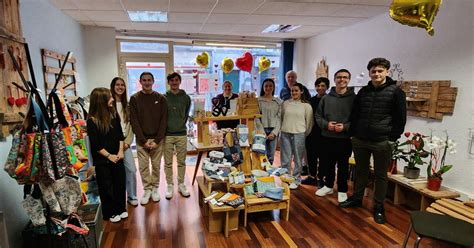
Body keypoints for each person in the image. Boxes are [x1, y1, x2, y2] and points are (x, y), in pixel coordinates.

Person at [340, 58, 407, 225]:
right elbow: (355, 114)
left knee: (380, 175)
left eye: (380, 71)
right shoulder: (363, 92)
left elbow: (401, 118)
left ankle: (378, 207)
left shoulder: (396, 92)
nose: (376, 74)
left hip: (382, 141)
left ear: (387, 72)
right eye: (373, 71)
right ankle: (356, 199)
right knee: (360, 172)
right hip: (360, 139)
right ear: (369, 73)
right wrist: (353, 133)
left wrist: (392, 139)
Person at [315, 70, 355, 203]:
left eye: (345, 77)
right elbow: (318, 116)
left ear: (349, 79)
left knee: (343, 165)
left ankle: (342, 190)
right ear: (334, 79)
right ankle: (328, 186)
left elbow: (357, 119)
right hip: (327, 136)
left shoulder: (354, 99)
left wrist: (345, 127)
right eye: (339, 77)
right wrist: (327, 125)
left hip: (344, 139)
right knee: (328, 164)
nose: (341, 80)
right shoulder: (326, 98)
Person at [87, 87, 126, 223]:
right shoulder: (92, 121)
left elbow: (120, 135)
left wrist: (120, 152)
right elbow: (96, 145)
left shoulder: (114, 115)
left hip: (118, 156)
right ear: (101, 101)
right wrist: (109, 156)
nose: (113, 99)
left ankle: (121, 209)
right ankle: (110, 212)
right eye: (110, 97)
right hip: (103, 160)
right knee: (106, 186)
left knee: (120, 183)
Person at [130, 72, 168, 205]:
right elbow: (134, 121)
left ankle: (155, 189)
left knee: (156, 166)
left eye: (149, 80)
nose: (147, 82)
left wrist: (157, 140)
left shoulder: (161, 98)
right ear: (140, 82)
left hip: (157, 140)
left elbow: (164, 120)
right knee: (143, 167)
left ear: (153, 81)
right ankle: (147, 189)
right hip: (142, 141)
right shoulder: (134, 99)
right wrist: (143, 140)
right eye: (144, 80)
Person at [110, 77, 138, 206]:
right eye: (117, 85)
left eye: (122, 85)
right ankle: (117, 200)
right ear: (113, 86)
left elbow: (131, 127)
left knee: (131, 170)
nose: (120, 87)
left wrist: (127, 143)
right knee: (115, 173)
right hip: (111, 145)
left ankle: (132, 196)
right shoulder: (108, 105)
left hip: (125, 144)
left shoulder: (127, 106)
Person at [280, 82, 313, 189]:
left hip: (299, 134)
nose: (294, 92)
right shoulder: (285, 103)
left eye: (296, 90)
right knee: (285, 158)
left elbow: (309, 123)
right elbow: (282, 118)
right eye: (292, 90)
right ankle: (286, 178)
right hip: (285, 133)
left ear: (301, 91)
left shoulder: (306, 106)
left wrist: (303, 133)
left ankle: (296, 179)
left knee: (298, 158)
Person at [163, 72, 191, 199]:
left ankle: (181, 184)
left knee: (181, 161)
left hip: (181, 134)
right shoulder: (164, 97)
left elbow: (185, 115)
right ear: (168, 82)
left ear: (179, 82)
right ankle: (169, 185)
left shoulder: (186, 98)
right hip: (167, 134)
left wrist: (179, 124)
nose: (174, 82)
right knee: (168, 162)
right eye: (172, 81)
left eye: (176, 80)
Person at [301, 77, 329, 186]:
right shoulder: (311, 101)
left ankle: (321, 178)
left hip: (324, 133)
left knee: (323, 157)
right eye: (318, 86)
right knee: (311, 156)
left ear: (327, 87)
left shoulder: (329, 100)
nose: (320, 88)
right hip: (312, 132)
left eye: (323, 86)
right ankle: (312, 176)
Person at [258, 78, 282, 164]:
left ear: (274, 87)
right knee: (261, 155)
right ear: (263, 87)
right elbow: (256, 117)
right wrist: (261, 131)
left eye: (270, 86)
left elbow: (280, 118)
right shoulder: (258, 101)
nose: (268, 88)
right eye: (266, 86)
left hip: (273, 131)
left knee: (271, 156)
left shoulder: (278, 101)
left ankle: (268, 175)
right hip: (261, 130)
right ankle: (261, 175)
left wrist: (274, 132)